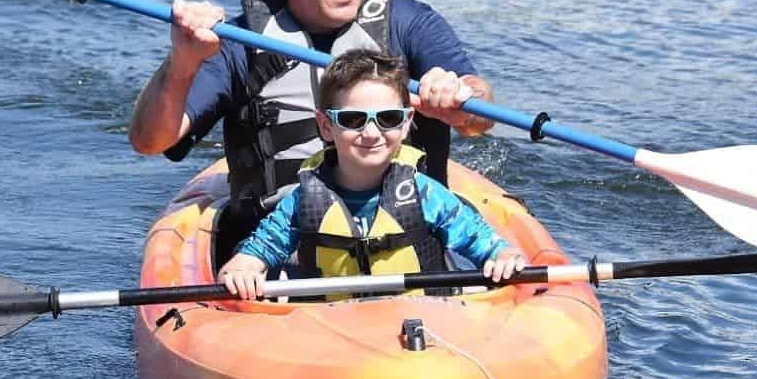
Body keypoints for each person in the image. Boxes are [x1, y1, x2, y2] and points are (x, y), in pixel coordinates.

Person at [127, 0, 496, 260]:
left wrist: (462, 101)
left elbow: (480, 114)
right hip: (281, 258)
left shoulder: (410, 24)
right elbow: (150, 141)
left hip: (410, 248)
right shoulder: (237, 45)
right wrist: (182, 63)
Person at [217, 50, 527, 298]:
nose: (371, 133)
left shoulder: (426, 195)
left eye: (389, 118)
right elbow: (260, 249)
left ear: (406, 124)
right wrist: (243, 268)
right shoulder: (303, 201)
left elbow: (482, 242)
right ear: (326, 126)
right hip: (333, 330)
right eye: (352, 119)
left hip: (423, 328)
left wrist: (502, 256)